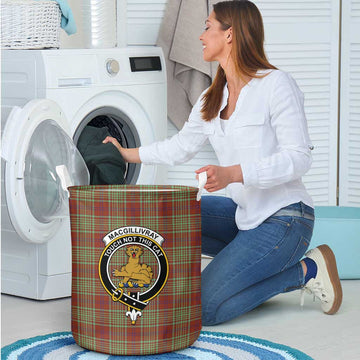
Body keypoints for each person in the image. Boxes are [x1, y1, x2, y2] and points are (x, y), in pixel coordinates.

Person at [103, 0, 342, 326]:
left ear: (229, 35)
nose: (200, 36)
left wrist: (234, 174)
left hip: (286, 219)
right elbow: (180, 147)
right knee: (165, 216)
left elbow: (299, 158)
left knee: (203, 309)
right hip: (245, 216)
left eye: (207, 27)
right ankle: (231, 270)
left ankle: (306, 271)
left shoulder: (275, 84)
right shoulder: (211, 97)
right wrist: (127, 152)